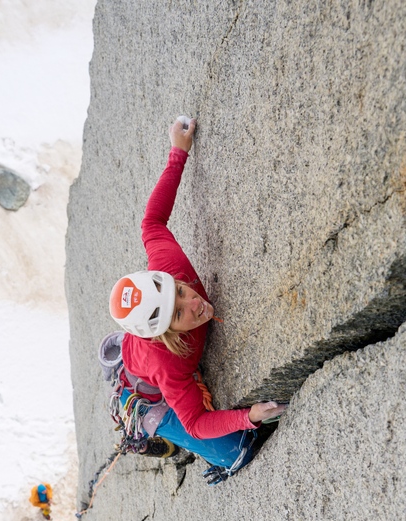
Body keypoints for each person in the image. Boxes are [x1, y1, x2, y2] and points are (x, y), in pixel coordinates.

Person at [108, 117, 286, 483]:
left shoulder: (170, 269)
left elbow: (152, 223)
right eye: (178, 313)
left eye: (182, 292)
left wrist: (178, 153)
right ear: (165, 334)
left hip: (141, 354)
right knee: (235, 453)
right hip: (151, 387)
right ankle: (156, 429)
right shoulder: (166, 362)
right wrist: (247, 417)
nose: (195, 304)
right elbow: (196, 421)